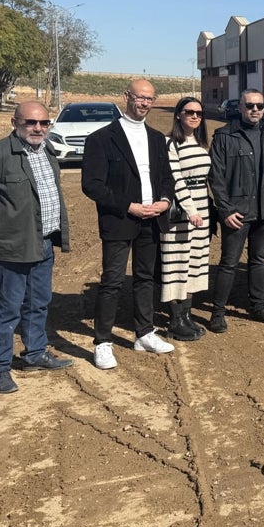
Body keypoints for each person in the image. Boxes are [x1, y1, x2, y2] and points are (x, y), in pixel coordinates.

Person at [0, 101, 74, 394]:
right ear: (15, 123)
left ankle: (35, 354)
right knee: (8, 309)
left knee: (39, 302)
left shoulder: (47, 151)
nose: (38, 128)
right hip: (14, 246)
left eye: (43, 123)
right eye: (30, 123)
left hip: (45, 242)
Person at [82, 79, 177, 369]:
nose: (145, 103)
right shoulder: (101, 138)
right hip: (121, 220)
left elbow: (165, 178)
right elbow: (92, 185)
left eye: (150, 98)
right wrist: (129, 206)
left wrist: (165, 201)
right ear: (127, 97)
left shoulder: (157, 138)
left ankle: (144, 333)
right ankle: (103, 342)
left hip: (151, 220)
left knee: (145, 279)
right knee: (111, 282)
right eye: (140, 98)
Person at [209, 89, 264, 331]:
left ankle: (258, 305)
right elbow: (216, 177)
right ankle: (218, 312)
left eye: (259, 106)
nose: (255, 110)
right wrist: (225, 210)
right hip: (237, 213)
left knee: (258, 260)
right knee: (229, 262)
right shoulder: (224, 136)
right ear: (240, 108)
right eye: (250, 106)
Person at [160, 97, 211, 342]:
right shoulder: (171, 143)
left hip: (202, 209)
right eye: (189, 112)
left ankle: (186, 316)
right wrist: (191, 210)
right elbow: (176, 179)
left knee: (194, 263)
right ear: (179, 114)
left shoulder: (201, 143)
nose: (194, 116)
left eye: (199, 113)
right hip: (181, 213)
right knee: (177, 263)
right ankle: (175, 320)